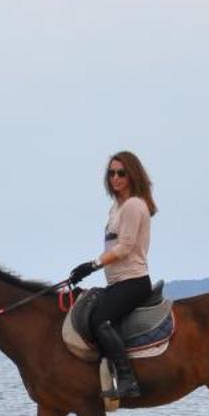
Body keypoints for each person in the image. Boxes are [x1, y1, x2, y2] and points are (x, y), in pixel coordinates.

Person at [67, 151, 156, 401]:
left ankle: (128, 380)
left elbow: (125, 247)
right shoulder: (116, 207)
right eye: (111, 173)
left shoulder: (134, 206)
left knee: (99, 319)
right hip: (117, 282)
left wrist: (92, 264)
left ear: (132, 175)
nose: (115, 177)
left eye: (121, 173)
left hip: (133, 281)